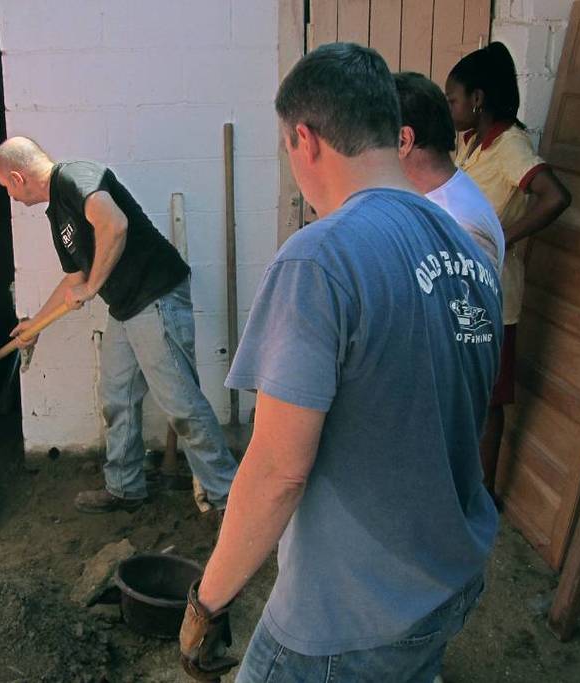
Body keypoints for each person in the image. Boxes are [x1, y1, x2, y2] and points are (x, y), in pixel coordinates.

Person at [178, 43, 502, 682]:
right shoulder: (470, 252)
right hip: (444, 583)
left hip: (343, 619)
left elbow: (277, 472)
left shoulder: (320, 260)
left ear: (305, 139)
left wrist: (206, 602)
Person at [0, 137, 238, 514]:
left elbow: (115, 224)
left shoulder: (74, 177)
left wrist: (92, 287)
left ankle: (230, 502)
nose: (10, 196)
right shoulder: (57, 216)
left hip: (155, 295)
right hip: (125, 307)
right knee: (116, 395)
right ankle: (125, 488)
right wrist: (36, 325)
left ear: (17, 176)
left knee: (182, 405)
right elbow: (74, 281)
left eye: (6, 187)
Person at [445, 42, 571, 495]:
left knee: (488, 398)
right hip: (459, 288)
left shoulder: (511, 145)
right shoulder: (470, 142)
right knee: (461, 389)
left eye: (453, 99)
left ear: (477, 99)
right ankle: (460, 483)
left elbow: (555, 196)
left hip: (492, 295)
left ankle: (484, 494)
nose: (450, 108)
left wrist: (505, 236)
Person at [395, 71, 505, 274]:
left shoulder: (456, 223)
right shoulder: (435, 198)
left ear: (404, 140)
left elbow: (472, 304)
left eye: (375, 139)